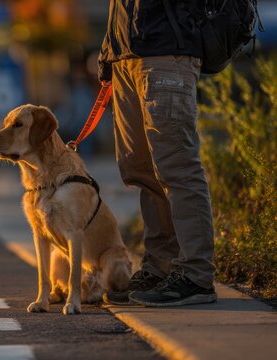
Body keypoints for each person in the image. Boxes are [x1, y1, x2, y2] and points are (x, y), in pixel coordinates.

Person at [100, 0, 217, 307]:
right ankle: (161, 266)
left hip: (167, 49)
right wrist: (108, 52)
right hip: (125, 54)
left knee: (177, 167)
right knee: (140, 169)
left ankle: (196, 275)